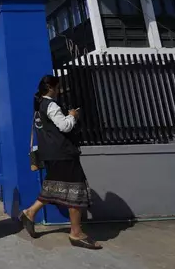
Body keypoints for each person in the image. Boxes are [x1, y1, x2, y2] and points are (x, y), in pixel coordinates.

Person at [20, 75, 102, 250]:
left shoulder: (39, 106)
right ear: (50, 87)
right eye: (57, 87)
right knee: (76, 190)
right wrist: (72, 115)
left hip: (51, 154)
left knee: (54, 187)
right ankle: (76, 232)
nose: (59, 91)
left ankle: (30, 212)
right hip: (63, 153)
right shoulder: (50, 104)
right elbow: (64, 126)